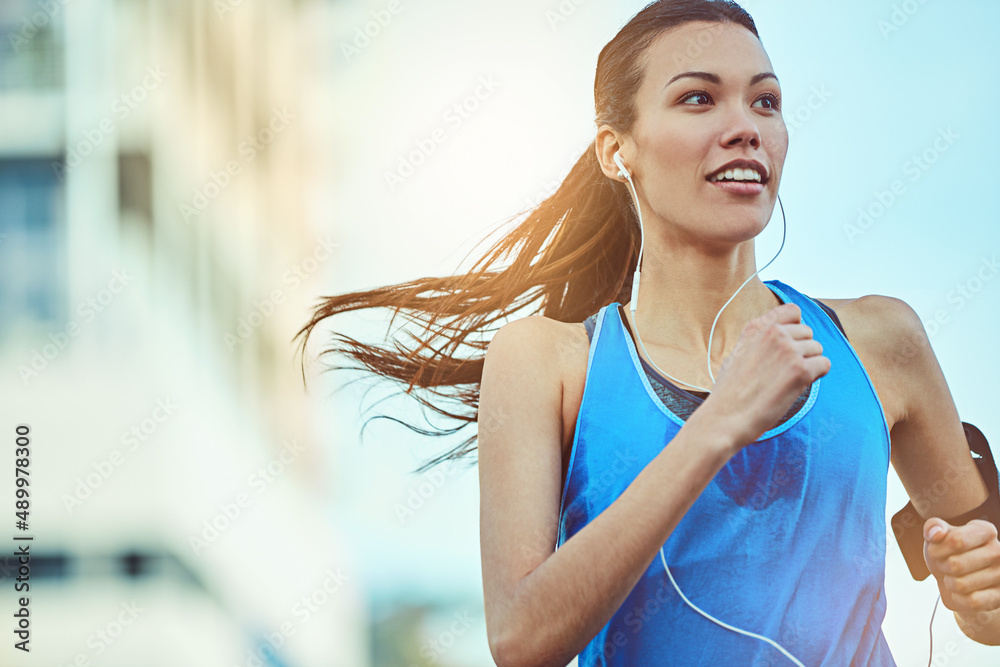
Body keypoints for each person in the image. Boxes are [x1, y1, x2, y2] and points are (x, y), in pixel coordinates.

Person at [296, 1, 1000, 664]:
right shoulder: (547, 361)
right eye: (699, 98)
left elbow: (988, 591)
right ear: (616, 151)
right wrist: (718, 421)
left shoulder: (881, 339)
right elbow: (520, 638)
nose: (745, 124)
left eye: (766, 100)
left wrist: (978, 590)